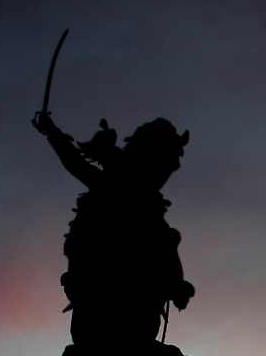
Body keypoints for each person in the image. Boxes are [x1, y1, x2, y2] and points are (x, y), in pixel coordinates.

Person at [31, 111, 195, 344]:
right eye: (166, 163)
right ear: (149, 157)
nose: (169, 171)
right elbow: (75, 163)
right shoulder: (116, 185)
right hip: (105, 301)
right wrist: (53, 133)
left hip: (140, 310)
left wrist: (175, 284)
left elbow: (165, 251)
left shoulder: (151, 209)